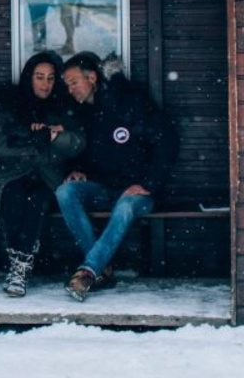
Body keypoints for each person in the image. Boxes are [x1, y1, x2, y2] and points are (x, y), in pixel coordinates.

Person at [56, 52, 179, 302]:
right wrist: (78, 170)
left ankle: (88, 271)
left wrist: (149, 183)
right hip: (104, 189)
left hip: (138, 193)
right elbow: (83, 151)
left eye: (73, 82)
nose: (70, 90)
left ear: (92, 78)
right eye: (67, 85)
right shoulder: (82, 114)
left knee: (124, 206)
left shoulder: (126, 103)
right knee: (65, 191)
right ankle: (102, 268)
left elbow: (167, 139)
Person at [0, 51, 84, 297]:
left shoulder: (64, 106)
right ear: (29, 77)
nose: (45, 84)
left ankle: (20, 267)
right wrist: (29, 136)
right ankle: (19, 266)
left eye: (50, 78)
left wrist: (54, 135)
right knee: (15, 195)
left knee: (38, 198)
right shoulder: (12, 105)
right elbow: (0, 144)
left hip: (48, 175)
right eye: (39, 77)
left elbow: (78, 143)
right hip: (12, 174)